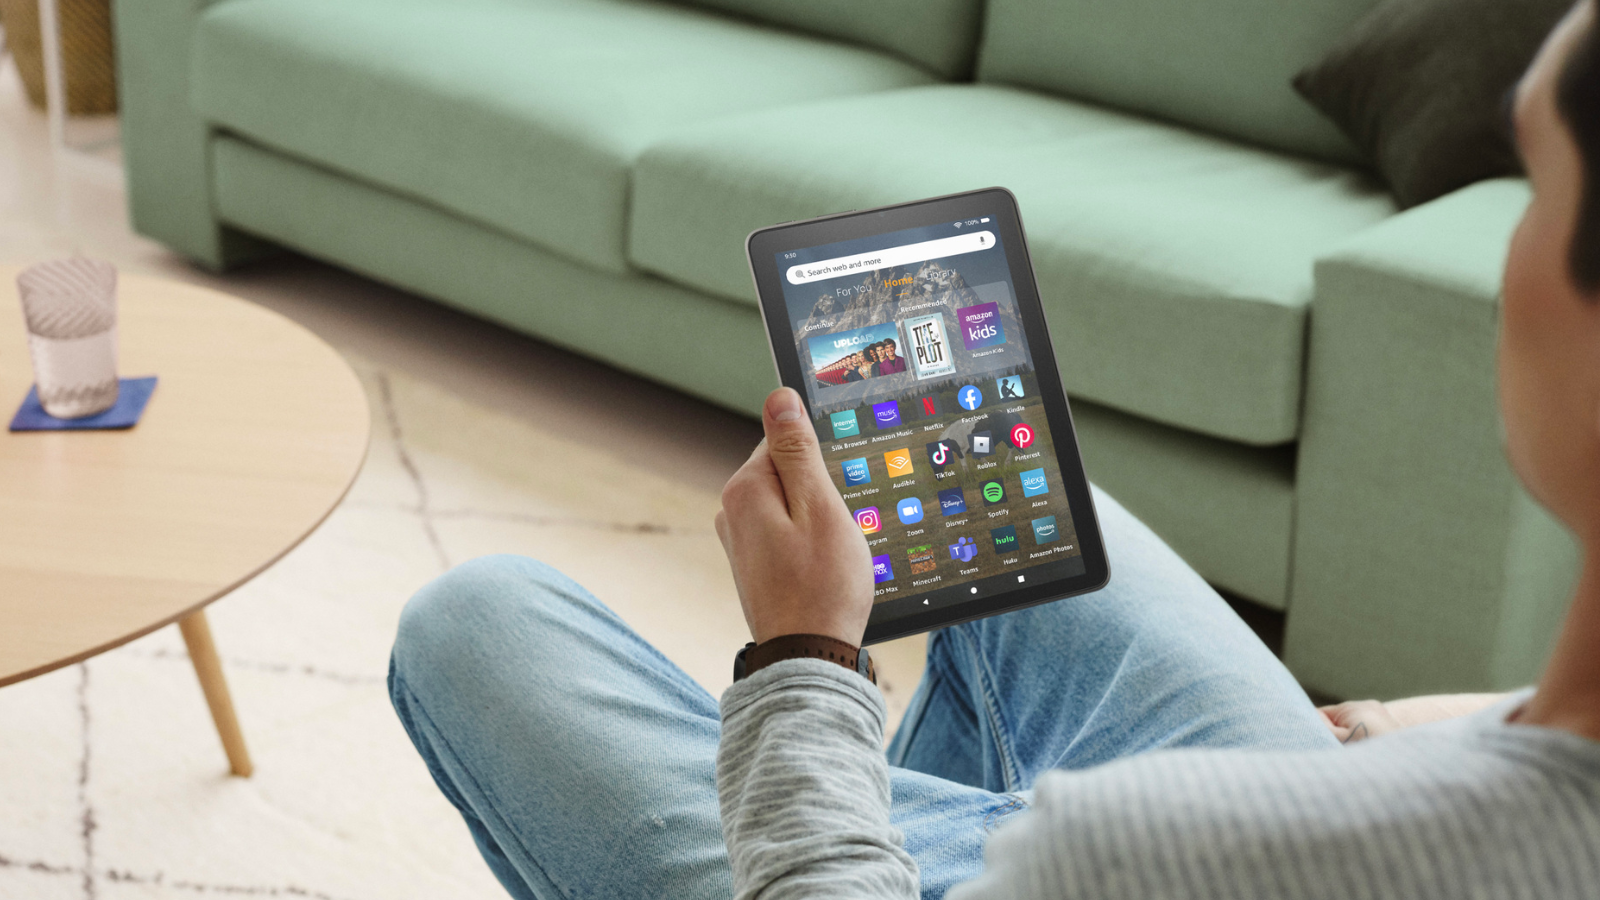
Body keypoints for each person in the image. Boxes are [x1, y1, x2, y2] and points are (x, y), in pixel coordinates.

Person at [386, 5, 1600, 897]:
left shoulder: (1114, 853)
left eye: (1528, 187)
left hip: (1161, 863)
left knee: (473, 619)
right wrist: (1441, 725)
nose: (1502, 255)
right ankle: (922, 811)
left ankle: (900, 826)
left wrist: (805, 655)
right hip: (1395, 784)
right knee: (1045, 526)